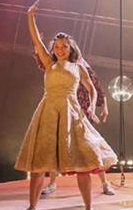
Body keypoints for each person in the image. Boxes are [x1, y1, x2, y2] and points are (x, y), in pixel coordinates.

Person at [14, 0, 117, 210]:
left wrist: (91, 106)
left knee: (83, 163)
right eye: (57, 46)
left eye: (64, 46)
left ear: (70, 49)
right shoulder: (48, 63)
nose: (60, 49)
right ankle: (31, 208)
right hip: (48, 112)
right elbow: (36, 40)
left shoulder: (78, 67)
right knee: (39, 164)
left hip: (72, 113)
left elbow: (92, 89)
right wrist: (30, 17)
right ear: (53, 49)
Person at [34, 44, 116, 197]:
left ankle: (105, 183)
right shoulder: (57, 66)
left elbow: (96, 88)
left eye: (65, 48)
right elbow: (44, 63)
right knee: (56, 145)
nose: (62, 51)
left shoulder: (82, 66)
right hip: (63, 109)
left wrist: (102, 106)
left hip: (81, 110)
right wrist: (37, 48)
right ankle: (52, 183)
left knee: (91, 145)